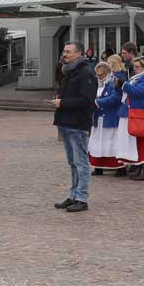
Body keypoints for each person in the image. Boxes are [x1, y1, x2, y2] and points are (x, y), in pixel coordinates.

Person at [52, 42, 96, 213]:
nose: (65, 54)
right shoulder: (70, 71)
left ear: (79, 54)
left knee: (81, 162)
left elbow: (87, 100)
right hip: (66, 122)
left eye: (68, 52)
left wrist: (62, 102)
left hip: (78, 123)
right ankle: (74, 195)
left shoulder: (86, 73)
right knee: (73, 162)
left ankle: (82, 198)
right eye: (64, 51)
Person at [87, 60, 127, 176]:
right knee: (97, 142)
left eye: (102, 75)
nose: (99, 77)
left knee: (112, 142)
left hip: (111, 117)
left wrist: (96, 102)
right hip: (98, 118)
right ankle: (98, 167)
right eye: (97, 75)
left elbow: (115, 98)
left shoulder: (114, 82)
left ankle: (120, 167)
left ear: (108, 72)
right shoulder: (96, 83)